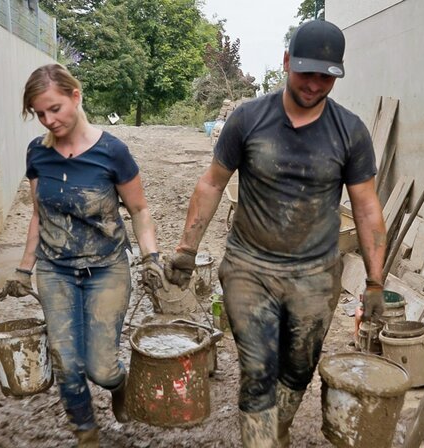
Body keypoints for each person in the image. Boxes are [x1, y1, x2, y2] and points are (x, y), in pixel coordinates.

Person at [164, 20, 387, 447]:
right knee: (258, 367)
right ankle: (260, 440)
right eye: (306, 72)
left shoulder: (351, 132)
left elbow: (366, 205)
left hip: (315, 274)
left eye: (327, 76)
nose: (315, 84)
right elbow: (212, 183)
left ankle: (273, 429)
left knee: (300, 367)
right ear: (286, 62)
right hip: (250, 267)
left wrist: (375, 281)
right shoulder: (249, 118)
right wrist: (185, 249)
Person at [4, 64, 165, 447]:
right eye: (40, 113)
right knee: (66, 361)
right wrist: (24, 269)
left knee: (102, 367)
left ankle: (119, 386)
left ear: (76, 96)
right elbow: (39, 215)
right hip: (55, 269)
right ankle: (86, 432)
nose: (48, 120)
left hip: (106, 268)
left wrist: (151, 258)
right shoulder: (37, 154)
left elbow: (140, 211)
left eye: (54, 108)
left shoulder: (112, 152)